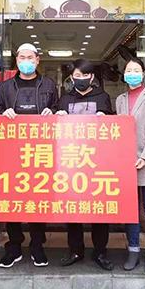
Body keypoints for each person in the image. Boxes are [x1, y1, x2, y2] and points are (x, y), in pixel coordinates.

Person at [0, 43, 58, 269]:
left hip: (41, 152)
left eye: (30, 57)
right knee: (12, 198)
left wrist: (52, 112)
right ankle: (14, 245)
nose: (26, 61)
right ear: (17, 60)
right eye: (22, 57)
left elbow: (58, 110)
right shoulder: (6, 87)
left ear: (38, 60)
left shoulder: (49, 85)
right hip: (12, 153)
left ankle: (37, 245)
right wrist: (4, 113)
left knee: (38, 199)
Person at [56, 58, 114, 271]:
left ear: (92, 77)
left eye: (85, 75)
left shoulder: (103, 97)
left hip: (98, 161)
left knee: (100, 209)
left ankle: (100, 252)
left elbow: (114, 129)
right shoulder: (64, 99)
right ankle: (75, 250)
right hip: (71, 160)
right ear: (72, 78)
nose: (80, 79)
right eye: (77, 76)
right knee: (73, 209)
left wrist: (106, 117)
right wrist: (57, 117)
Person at [116, 57, 145, 275]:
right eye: (129, 70)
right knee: (131, 210)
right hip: (126, 163)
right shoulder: (120, 99)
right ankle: (133, 250)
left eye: (136, 70)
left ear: (143, 74)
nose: (132, 74)